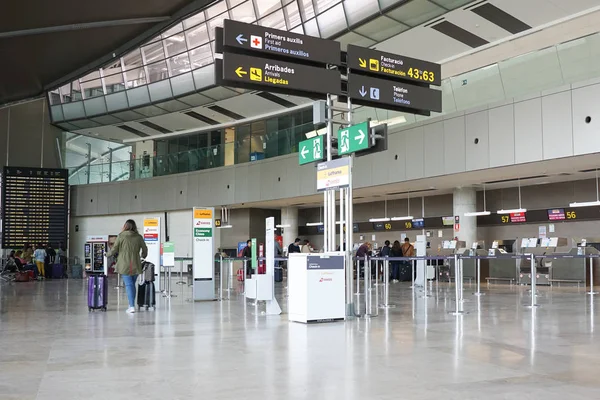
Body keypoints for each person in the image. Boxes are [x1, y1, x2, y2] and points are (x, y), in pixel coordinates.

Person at [106, 219, 148, 314]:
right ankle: (131, 304)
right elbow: (145, 249)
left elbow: (114, 249)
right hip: (136, 264)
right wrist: (143, 256)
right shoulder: (139, 237)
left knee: (129, 285)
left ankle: (132, 306)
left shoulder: (121, 236)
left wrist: (107, 255)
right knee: (132, 285)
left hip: (124, 264)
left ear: (125, 226)